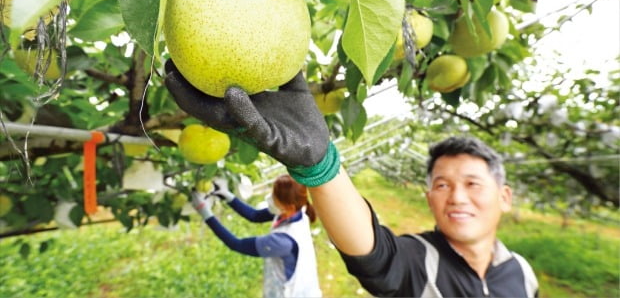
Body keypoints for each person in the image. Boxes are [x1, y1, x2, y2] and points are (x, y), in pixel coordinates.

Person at [164, 60, 539, 297]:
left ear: (504, 197)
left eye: (473, 184)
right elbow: (371, 251)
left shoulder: (523, 275)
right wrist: (319, 166)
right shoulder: (419, 262)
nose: (456, 197)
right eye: (442, 184)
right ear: (428, 197)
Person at [191, 174, 322, 298]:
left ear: (289, 206)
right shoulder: (297, 212)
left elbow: (236, 244)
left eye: (274, 196)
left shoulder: (282, 242)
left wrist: (205, 212)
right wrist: (228, 195)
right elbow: (254, 216)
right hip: (305, 285)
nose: (270, 199)